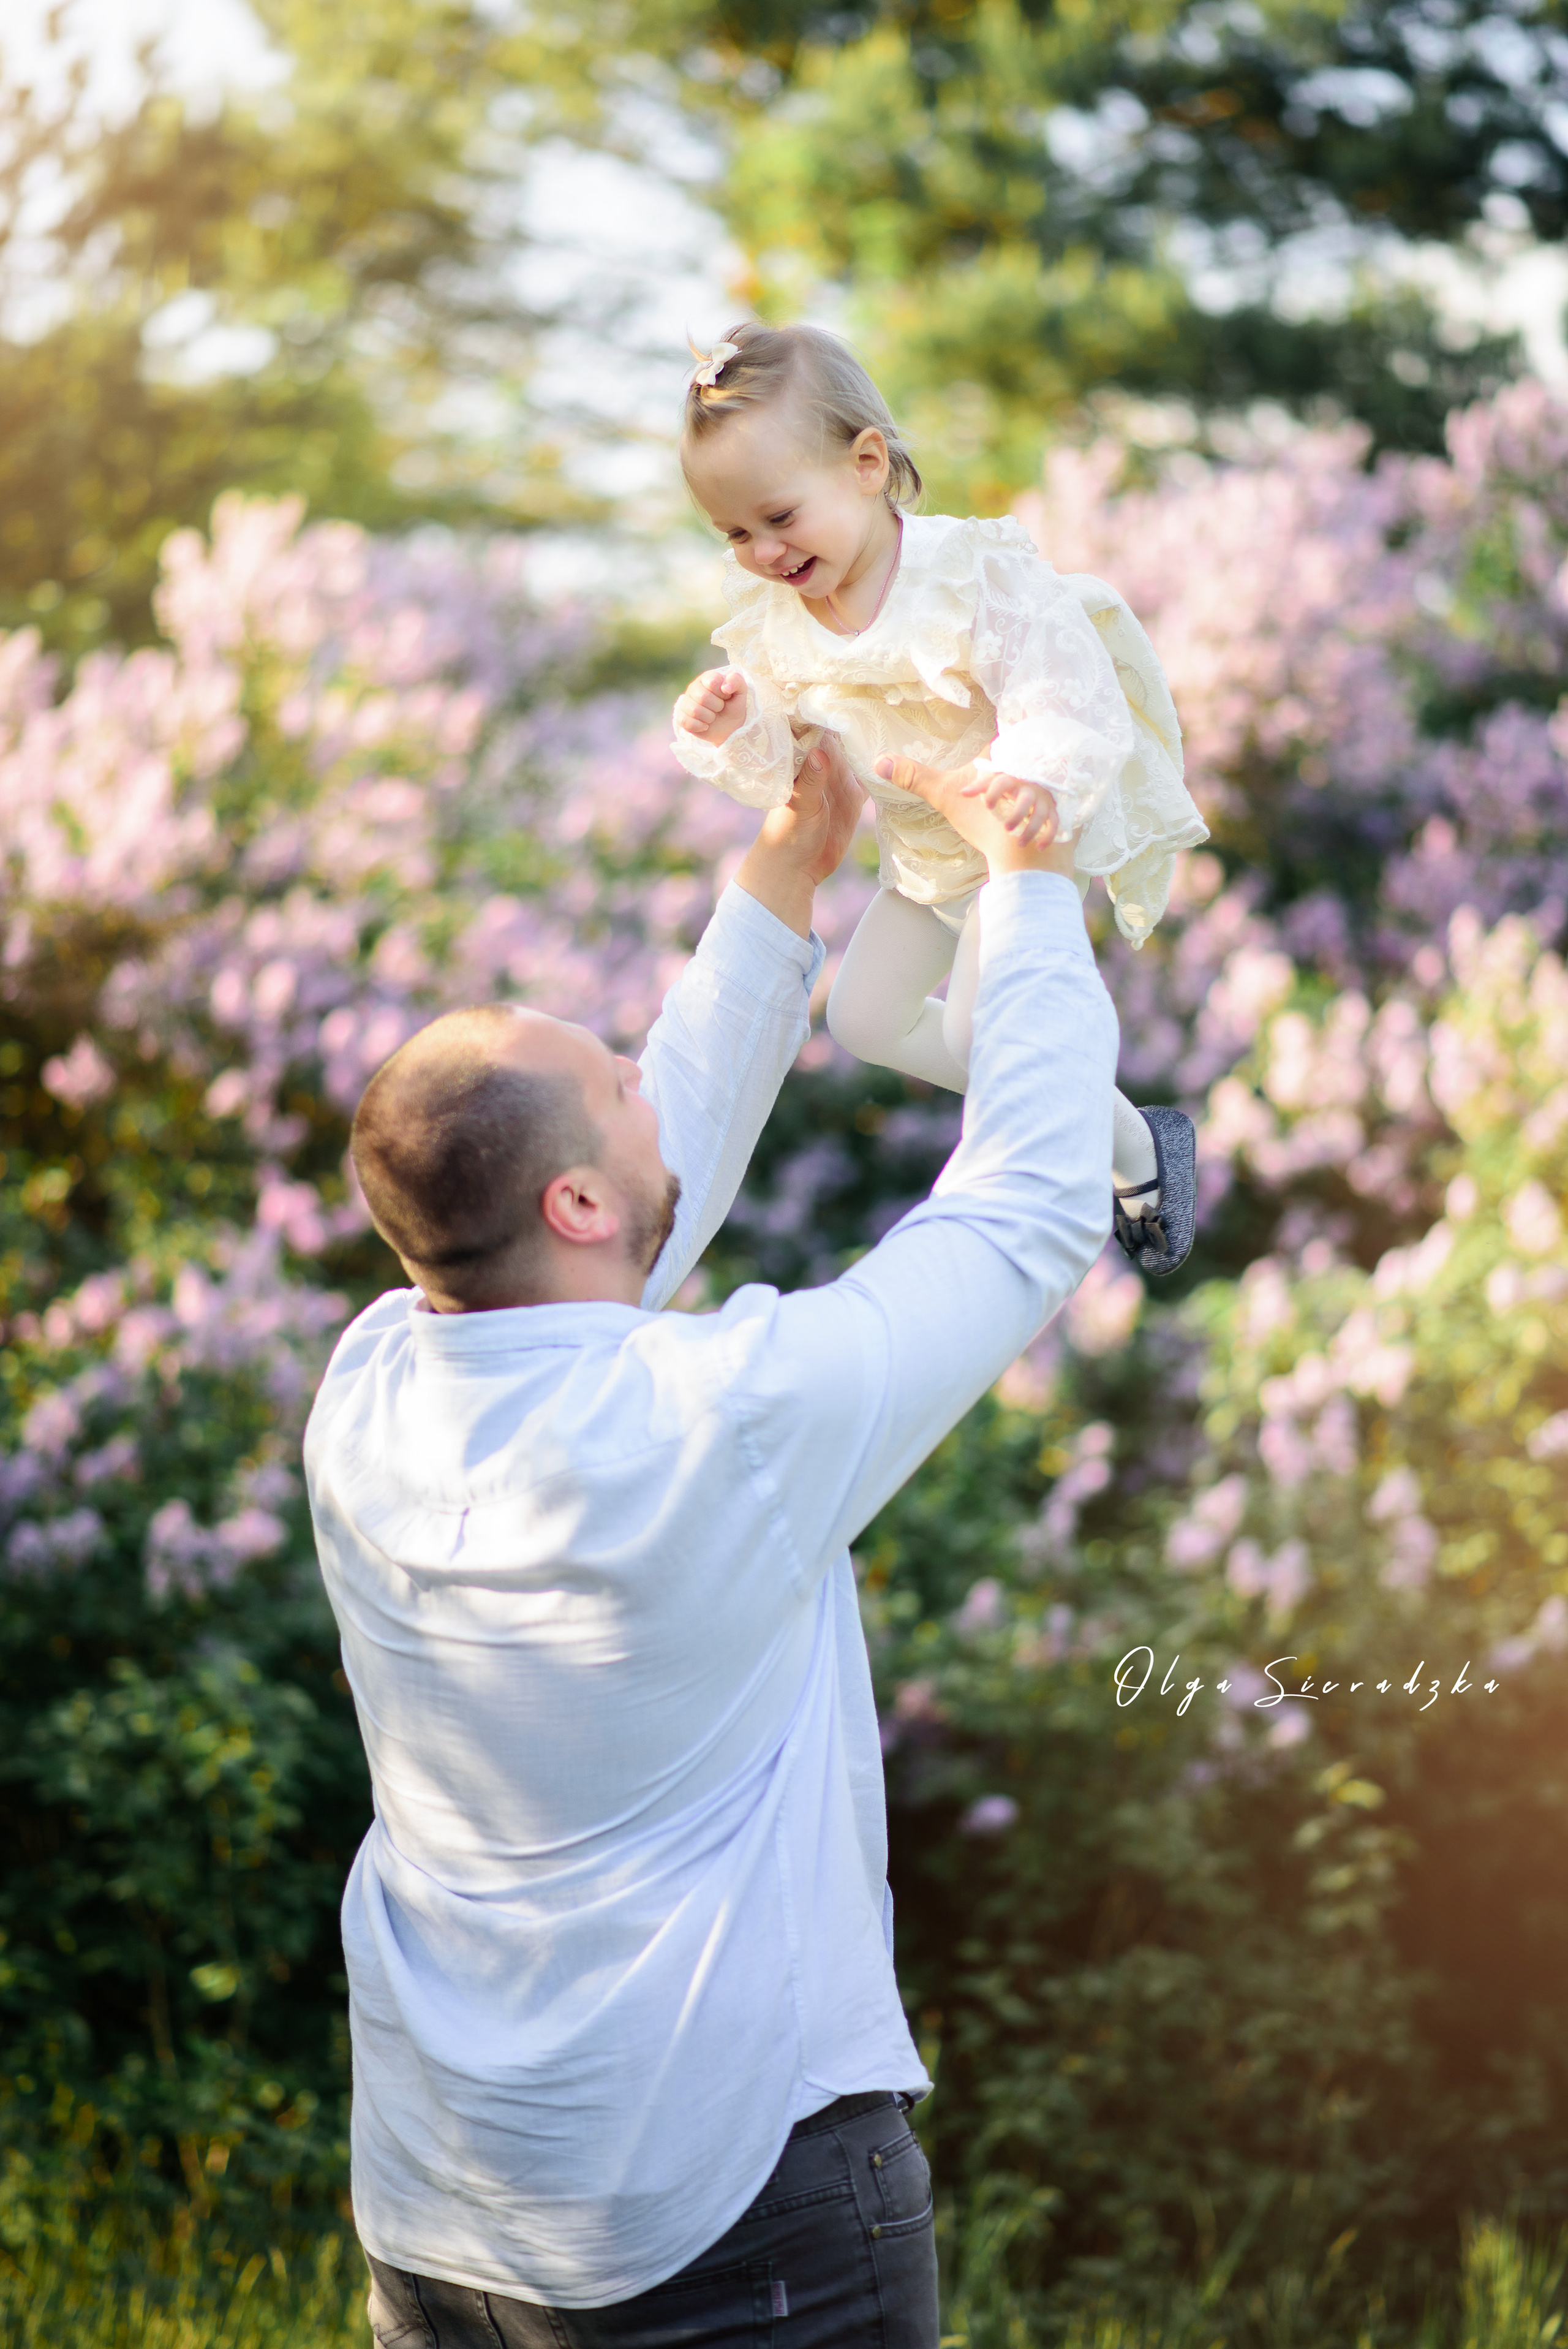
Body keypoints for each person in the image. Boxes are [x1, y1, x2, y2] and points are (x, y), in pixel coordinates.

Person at [304, 734, 1119, 2349]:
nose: (644, 1080)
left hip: (448, 2216)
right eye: (619, 1082)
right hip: (730, 2212)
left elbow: (612, 1205)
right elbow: (1026, 1204)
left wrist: (785, 871)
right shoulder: (721, 1422)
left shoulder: (371, 1387)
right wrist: (1027, 884)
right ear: (573, 1205)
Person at [672, 319, 1205, 1276]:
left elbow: (1060, 679)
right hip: (921, 865)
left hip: (1009, 846)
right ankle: (1134, 1136)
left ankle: (1107, 1160)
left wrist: (1028, 772)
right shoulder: (782, 622)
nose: (765, 551)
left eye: (780, 516)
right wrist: (735, 722)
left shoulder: (963, 575)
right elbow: (788, 754)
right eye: (737, 533)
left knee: (977, 1030)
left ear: (867, 464)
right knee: (864, 1019)